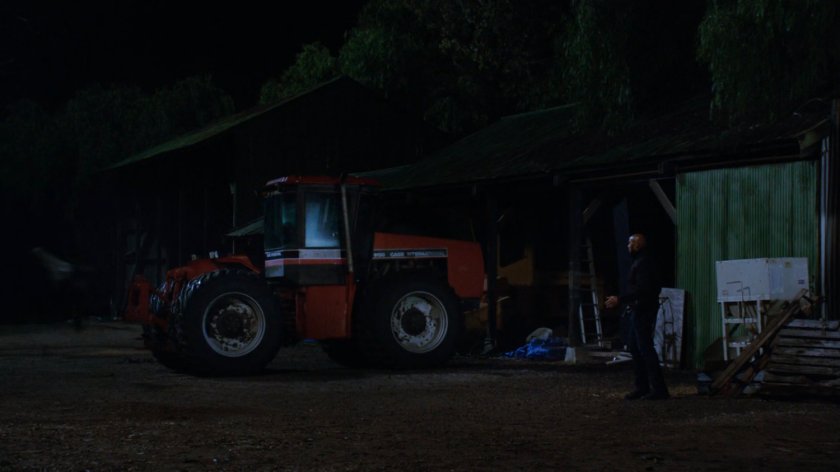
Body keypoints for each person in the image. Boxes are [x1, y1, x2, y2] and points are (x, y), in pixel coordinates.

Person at [605, 234, 669, 400]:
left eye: (630, 242)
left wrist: (620, 299)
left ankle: (658, 389)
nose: (627, 245)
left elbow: (642, 289)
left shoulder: (643, 263)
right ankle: (643, 387)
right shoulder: (643, 262)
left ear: (638, 245)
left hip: (643, 310)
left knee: (645, 348)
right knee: (635, 347)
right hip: (640, 309)